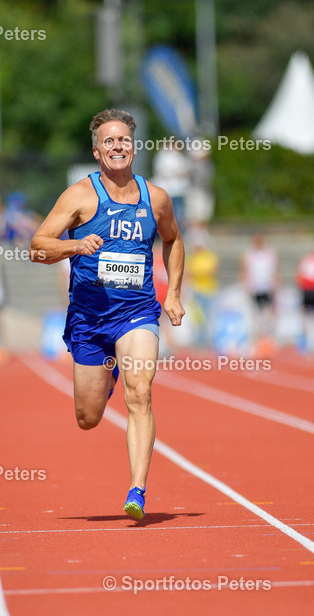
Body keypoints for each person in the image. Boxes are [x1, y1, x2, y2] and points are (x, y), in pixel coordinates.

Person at [30, 109, 184, 521]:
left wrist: (174, 294)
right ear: (97, 151)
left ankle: (137, 489)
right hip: (89, 319)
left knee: (141, 392)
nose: (118, 147)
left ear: (134, 147)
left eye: (124, 140)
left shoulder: (157, 198)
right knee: (88, 417)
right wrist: (74, 247)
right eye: (109, 141)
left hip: (137, 313)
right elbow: (37, 246)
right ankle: (107, 368)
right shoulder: (80, 196)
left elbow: (173, 239)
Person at [240, 233, 279, 356]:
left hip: (267, 287)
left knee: (268, 315)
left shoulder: (270, 253)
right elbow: (244, 269)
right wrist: (245, 286)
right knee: (255, 316)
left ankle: (268, 340)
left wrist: (277, 285)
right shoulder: (249, 254)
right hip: (255, 288)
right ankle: (256, 343)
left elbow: (276, 269)